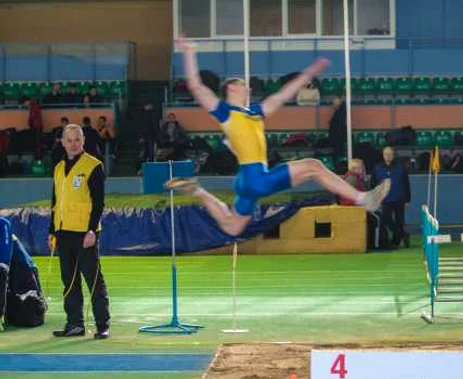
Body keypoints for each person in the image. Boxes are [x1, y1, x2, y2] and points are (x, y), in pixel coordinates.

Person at [165, 38, 390, 236]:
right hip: (256, 178)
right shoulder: (225, 113)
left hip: (246, 180)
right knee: (313, 165)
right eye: (243, 86)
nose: (248, 89)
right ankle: (362, 199)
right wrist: (189, 52)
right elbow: (196, 86)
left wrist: (307, 75)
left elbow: (282, 95)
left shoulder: (255, 113)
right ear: (232, 89)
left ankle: (198, 190)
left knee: (232, 227)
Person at [48, 124, 110, 339]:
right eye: (69, 140)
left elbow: (99, 203)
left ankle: (103, 324)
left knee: (93, 279)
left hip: (85, 233)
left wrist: (92, 230)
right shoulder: (58, 168)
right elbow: (56, 202)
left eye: (77, 139)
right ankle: (75, 324)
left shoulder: (94, 166)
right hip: (63, 232)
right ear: (63, 142)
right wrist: (52, 231)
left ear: (83, 141)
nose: (73, 144)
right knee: (69, 280)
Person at [0, 217, 46, 332]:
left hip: (22, 272)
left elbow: (3, 267)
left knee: (28, 312)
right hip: (8, 271)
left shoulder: (3, 224)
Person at [372, 146, 410, 248]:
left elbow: (406, 184)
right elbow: (374, 184)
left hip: (399, 199)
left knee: (399, 221)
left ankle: (395, 242)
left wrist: (407, 200)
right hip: (385, 199)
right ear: (383, 155)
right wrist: (376, 198)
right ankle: (403, 234)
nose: (388, 156)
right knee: (386, 220)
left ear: (393, 155)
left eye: (390, 154)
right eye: (386, 154)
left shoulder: (400, 167)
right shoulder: (377, 167)